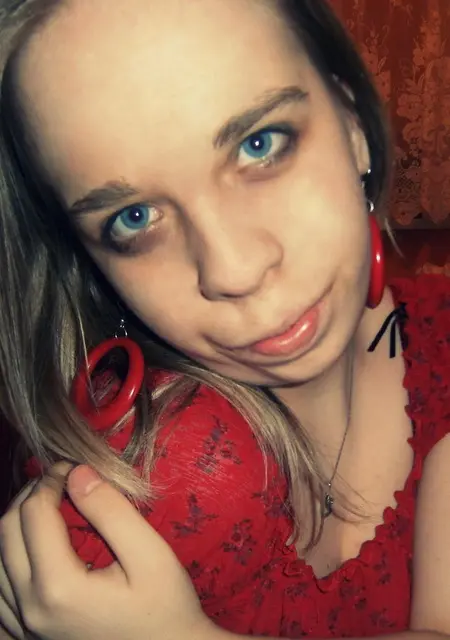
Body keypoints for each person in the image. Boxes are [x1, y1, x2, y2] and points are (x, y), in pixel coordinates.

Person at [0, 0, 449, 638]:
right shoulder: (155, 488)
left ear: (352, 124)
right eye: (133, 218)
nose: (233, 269)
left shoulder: (440, 337)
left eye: (260, 144)